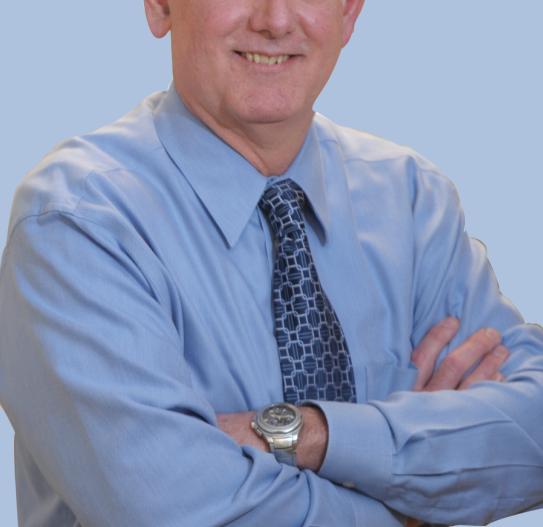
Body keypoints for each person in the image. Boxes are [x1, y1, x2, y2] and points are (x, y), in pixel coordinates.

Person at [0, 0, 542, 525]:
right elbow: (169, 511)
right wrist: (418, 490)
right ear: (161, 6)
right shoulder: (78, 222)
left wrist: (312, 434)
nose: (276, 20)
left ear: (348, 11)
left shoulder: (413, 201)